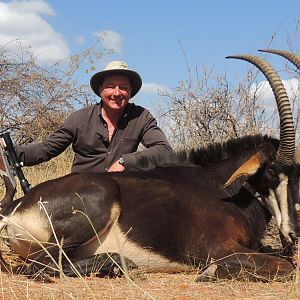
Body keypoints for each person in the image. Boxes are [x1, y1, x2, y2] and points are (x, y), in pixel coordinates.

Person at [1, 60, 172, 173]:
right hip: (80, 192)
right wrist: (8, 152)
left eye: (123, 87)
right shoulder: (79, 119)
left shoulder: (142, 117)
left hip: (120, 191)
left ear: (131, 91)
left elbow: (164, 150)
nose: (117, 93)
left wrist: (125, 161)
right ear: (100, 90)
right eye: (110, 86)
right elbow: (46, 150)